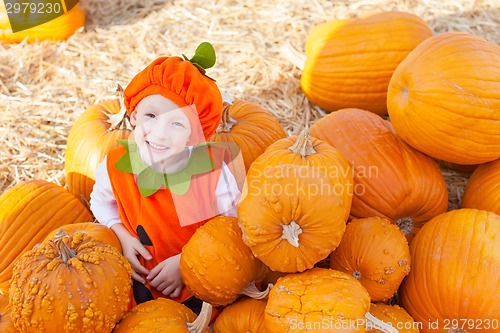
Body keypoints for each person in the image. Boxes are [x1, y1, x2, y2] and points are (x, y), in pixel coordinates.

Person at [89, 43, 243, 313]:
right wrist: (121, 235)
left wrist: (186, 264)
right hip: (137, 285)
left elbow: (232, 230)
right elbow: (100, 202)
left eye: (177, 124)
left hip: (197, 286)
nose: (160, 134)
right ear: (133, 114)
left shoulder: (212, 173)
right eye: (151, 115)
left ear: (195, 134)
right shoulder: (115, 165)